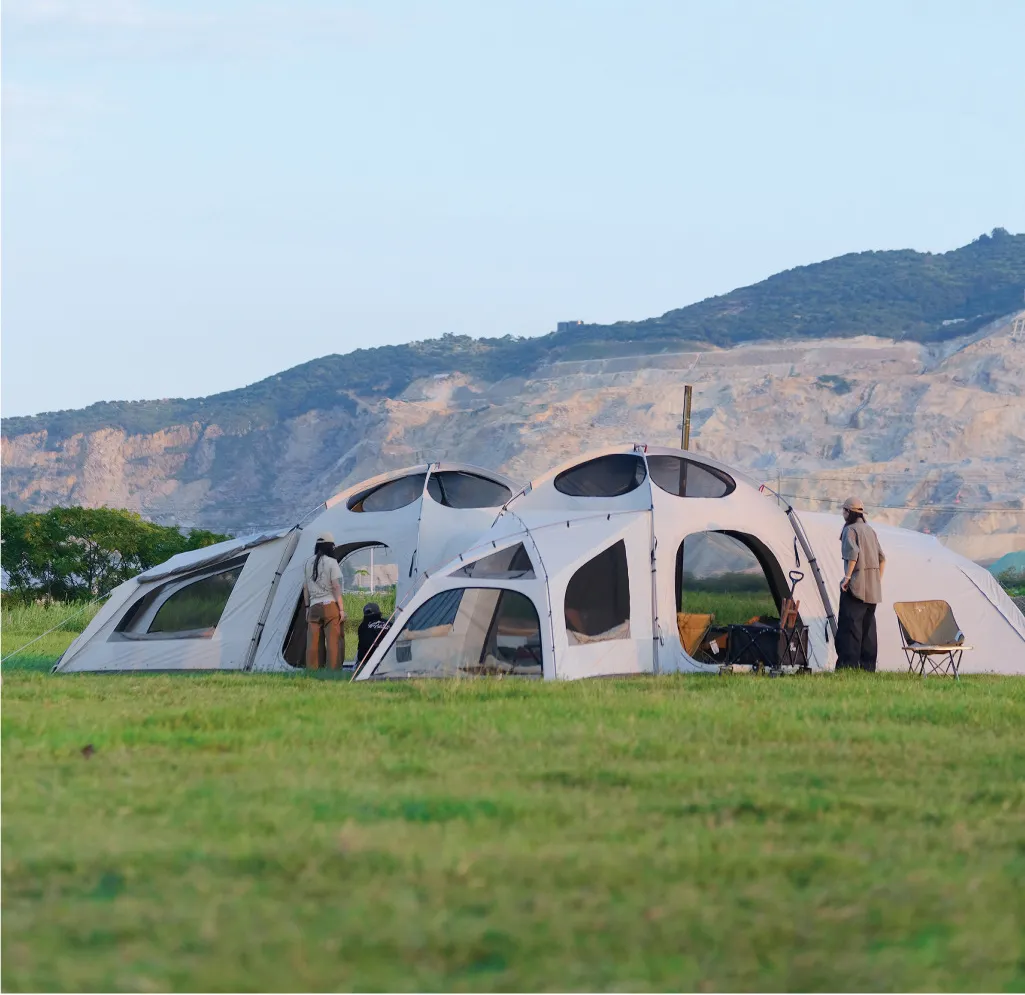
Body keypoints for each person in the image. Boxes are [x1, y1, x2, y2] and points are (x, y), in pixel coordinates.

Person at [836, 496, 886, 671]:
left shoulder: (850, 530)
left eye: (843, 510)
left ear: (848, 512)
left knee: (850, 627)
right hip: (873, 588)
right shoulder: (870, 530)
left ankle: (848, 667)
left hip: (856, 586)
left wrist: (847, 578)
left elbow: (853, 555)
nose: (842, 513)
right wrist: (877, 579)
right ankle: (867, 667)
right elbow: (882, 559)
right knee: (868, 628)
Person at [303, 532, 345, 670]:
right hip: (330, 605)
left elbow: (305, 587)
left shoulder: (308, 562)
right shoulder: (331, 562)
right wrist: (341, 609)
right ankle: (333, 670)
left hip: (314, 606)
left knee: (313, 642)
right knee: (333, 641)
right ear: (330, 547)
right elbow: (336, 586)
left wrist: (307, 607)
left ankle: (312, 670)